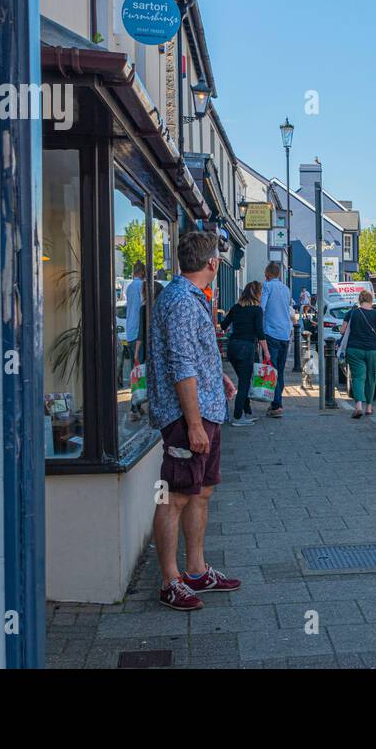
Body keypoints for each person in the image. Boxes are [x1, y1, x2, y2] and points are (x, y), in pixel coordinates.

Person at [148, 230, 241, 610]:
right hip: (189, 417)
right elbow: (181, 365)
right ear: (212, 264)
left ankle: (197, 570)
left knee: (201, 491)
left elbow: (190, 356)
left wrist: (215, 375)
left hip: (205, 409)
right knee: (174, 495)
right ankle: (171, 580)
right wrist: (195, 424)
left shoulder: (188, 297)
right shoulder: (183, 302)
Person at [220, 280, 269, 426]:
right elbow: (260, 333)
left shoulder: (236, 307)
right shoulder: (256, 310)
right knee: (244, 383)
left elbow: (223, 325)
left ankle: (246, 411)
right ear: (257, 294)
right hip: (246, 348)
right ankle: (237, 417)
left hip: (233, 348)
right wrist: (266, 351)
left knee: (243, 379)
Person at [341, 289, 376, 418]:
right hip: (374, 350)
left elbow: (343, 330)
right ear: (371, 301)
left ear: (360, 300)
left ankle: (358, 406)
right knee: (371, 378)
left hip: (355, 350)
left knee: (358, 377)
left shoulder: (352, 313)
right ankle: (369, 407)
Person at [259, 261, 293, 417]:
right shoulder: (286, 289)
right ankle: (277, 402)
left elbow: (262, 307)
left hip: (271, 332)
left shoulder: (267, 286)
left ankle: (277, 405)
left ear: (267, 274)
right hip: (285, 333)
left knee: (273, 370)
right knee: (280, 369)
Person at [121, 260, 146, 383]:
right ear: (142, 272)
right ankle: (139, 396)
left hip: (130, 331)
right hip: (138, 332)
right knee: (141, 368)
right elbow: (143, 306)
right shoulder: (142, 286)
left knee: (133, 369)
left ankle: (134, 395)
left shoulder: (129, 287)